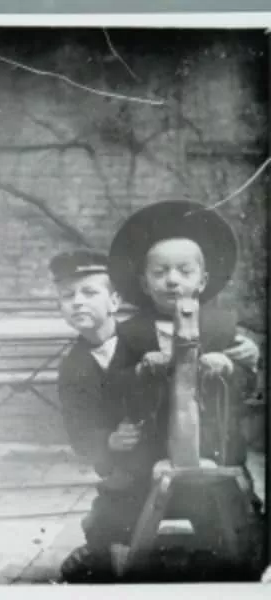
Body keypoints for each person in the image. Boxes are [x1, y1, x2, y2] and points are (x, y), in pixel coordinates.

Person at [49, 202, 260, 582]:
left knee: (244, 525)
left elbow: (246, 384)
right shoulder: (131, 334)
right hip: (147, 455)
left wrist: (232, 367)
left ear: (203, 279)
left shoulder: (222, 326)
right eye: (160, 273)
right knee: (113, 517)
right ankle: (104, 552)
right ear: (145, 284)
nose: (172, 281)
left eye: (184, 272)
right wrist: (142, 372)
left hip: (215, 449)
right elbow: (115, 387)